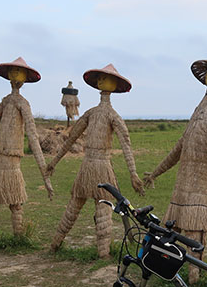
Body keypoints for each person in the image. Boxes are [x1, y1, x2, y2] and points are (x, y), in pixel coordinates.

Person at [142, 59, 207, 284]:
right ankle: (168, 271)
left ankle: (193, 279)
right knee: (171, 234)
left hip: (198, 196)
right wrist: (155, 173)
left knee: (194, 238)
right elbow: (178, 148)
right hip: (180, 192)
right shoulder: (198, 116)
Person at [46, 64, 145, 258]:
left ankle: (103, 253)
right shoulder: (91, 114)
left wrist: (133, 174)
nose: (101, 81)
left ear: (114, 85)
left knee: (103, 212)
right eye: (99, 78)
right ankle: (55, 244)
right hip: (87, 167)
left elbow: (126, 144)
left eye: (105, 78)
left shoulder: (112, 116)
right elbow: (71, 137)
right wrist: (54, 161)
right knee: (73, 207)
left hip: (102, 168)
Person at [0, 57, 54, 237]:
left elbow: (32, 136)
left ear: (24, 78)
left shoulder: (23, 104)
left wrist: (45, 176)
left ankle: (18, 237)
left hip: (12, 163)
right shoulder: (5, 102)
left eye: (19, 71)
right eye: (13, 71)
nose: (15, 74)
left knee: (15, 203)